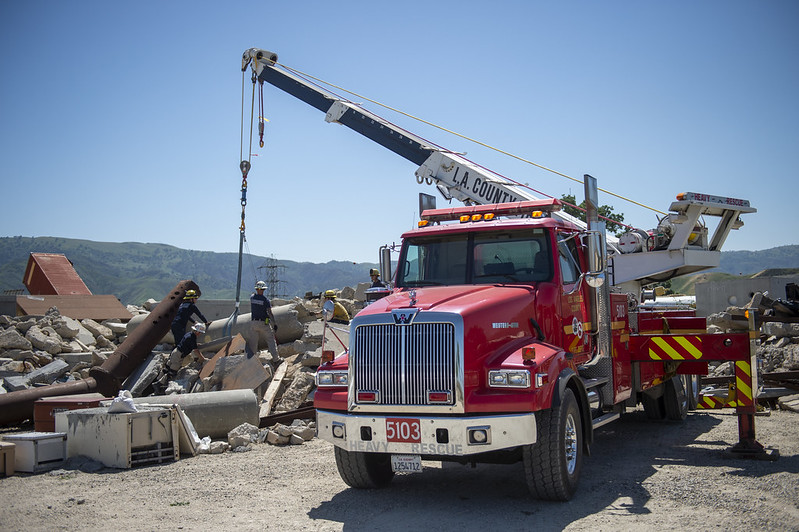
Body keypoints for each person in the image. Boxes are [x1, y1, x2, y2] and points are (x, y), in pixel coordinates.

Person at [248, 280, 279, 359]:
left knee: (253, 343)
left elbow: (252, 295)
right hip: (263, 323)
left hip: (254, 323)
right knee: (270, 340)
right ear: (264, 290)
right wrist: (274, 324)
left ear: (256, 289)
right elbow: (270, 313)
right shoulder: (266, 300)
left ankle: (252, 360)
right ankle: (276, 359)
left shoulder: (252, 298)